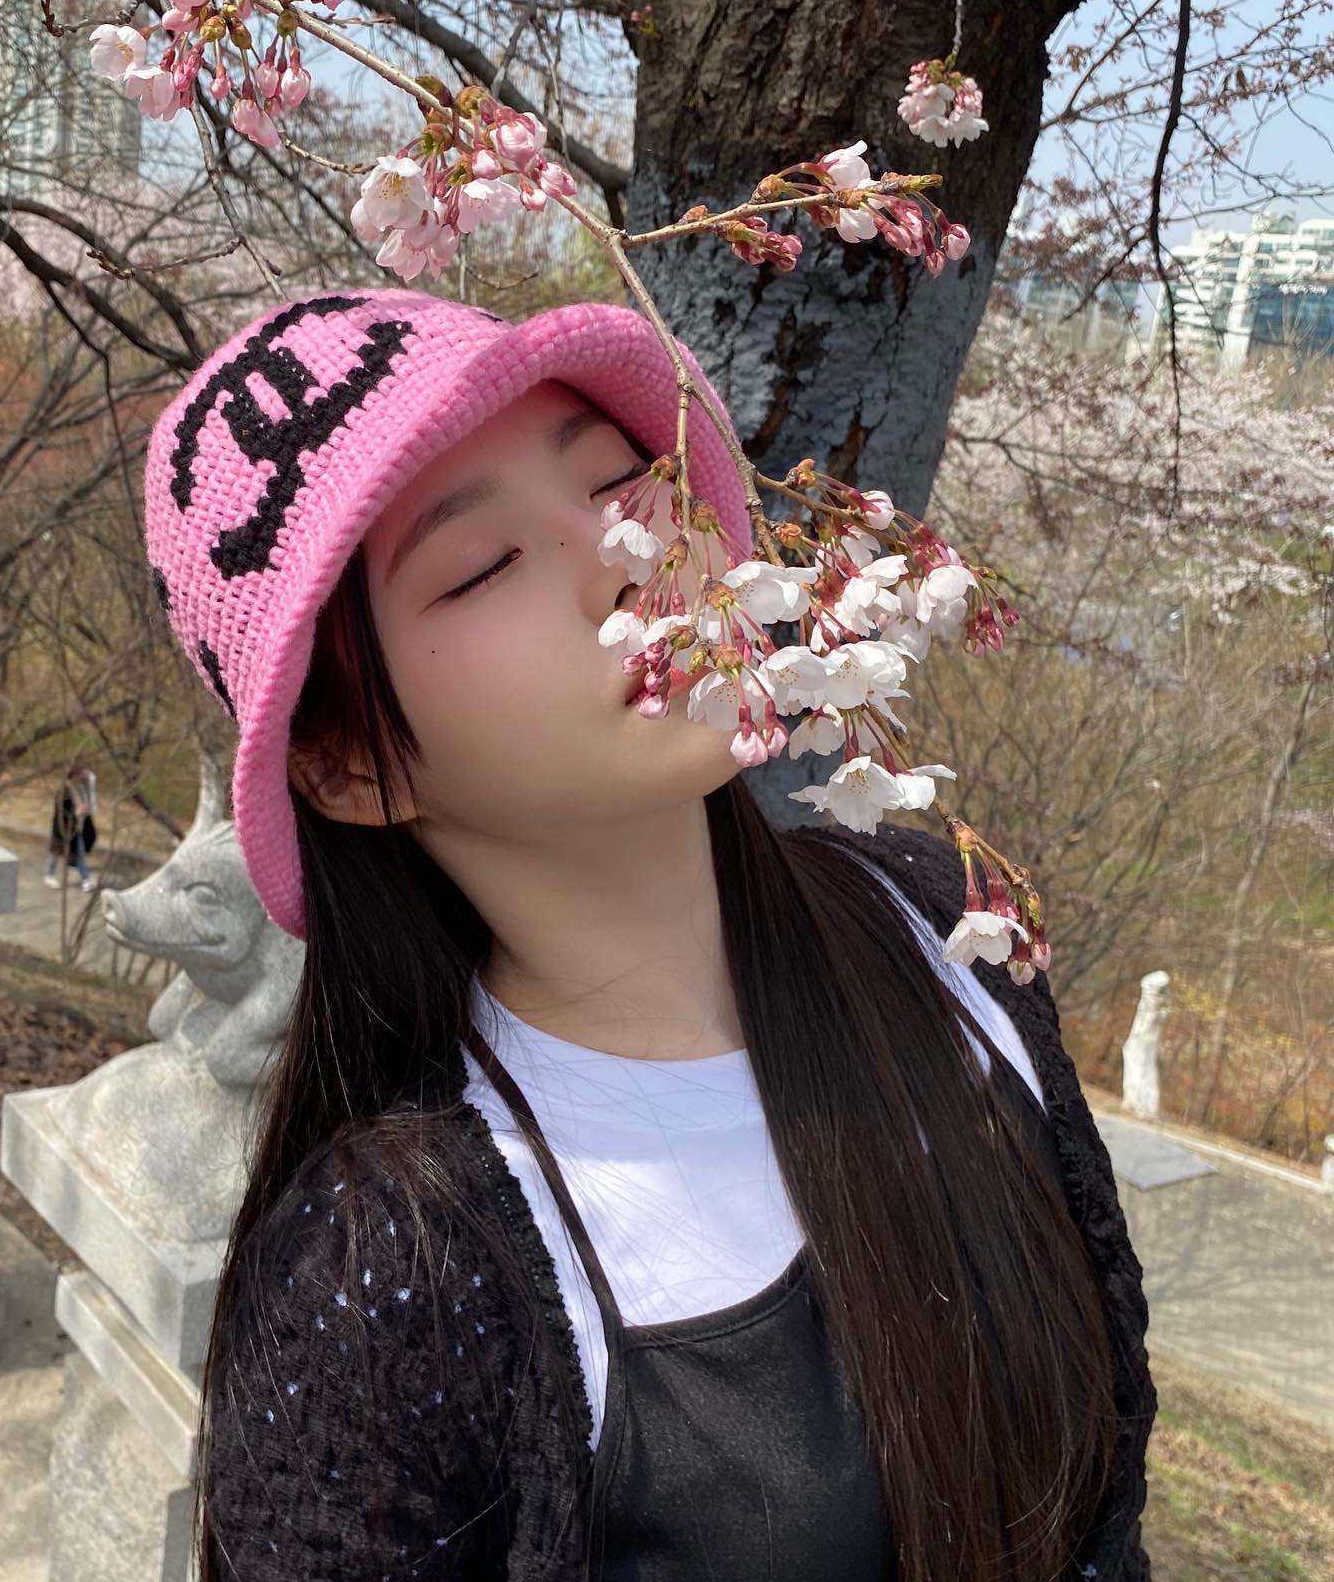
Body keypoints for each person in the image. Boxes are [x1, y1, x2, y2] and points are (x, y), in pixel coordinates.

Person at [142, 289, 1157, 1582]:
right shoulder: (386, 1270)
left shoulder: (938, 922)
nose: (624, 557)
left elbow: (1106, 1506)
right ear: (348, 765)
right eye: (483, 564)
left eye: (623, 480)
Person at [43, 762, 97, 893]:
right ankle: (49, 875)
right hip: (62, 829)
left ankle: (85, 880)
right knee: (55, 853)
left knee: (79, 853)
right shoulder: (64, 792)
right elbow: (62, 812)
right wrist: (76, 812)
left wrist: (82, 811)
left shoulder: (77, 789)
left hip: (74, 829)